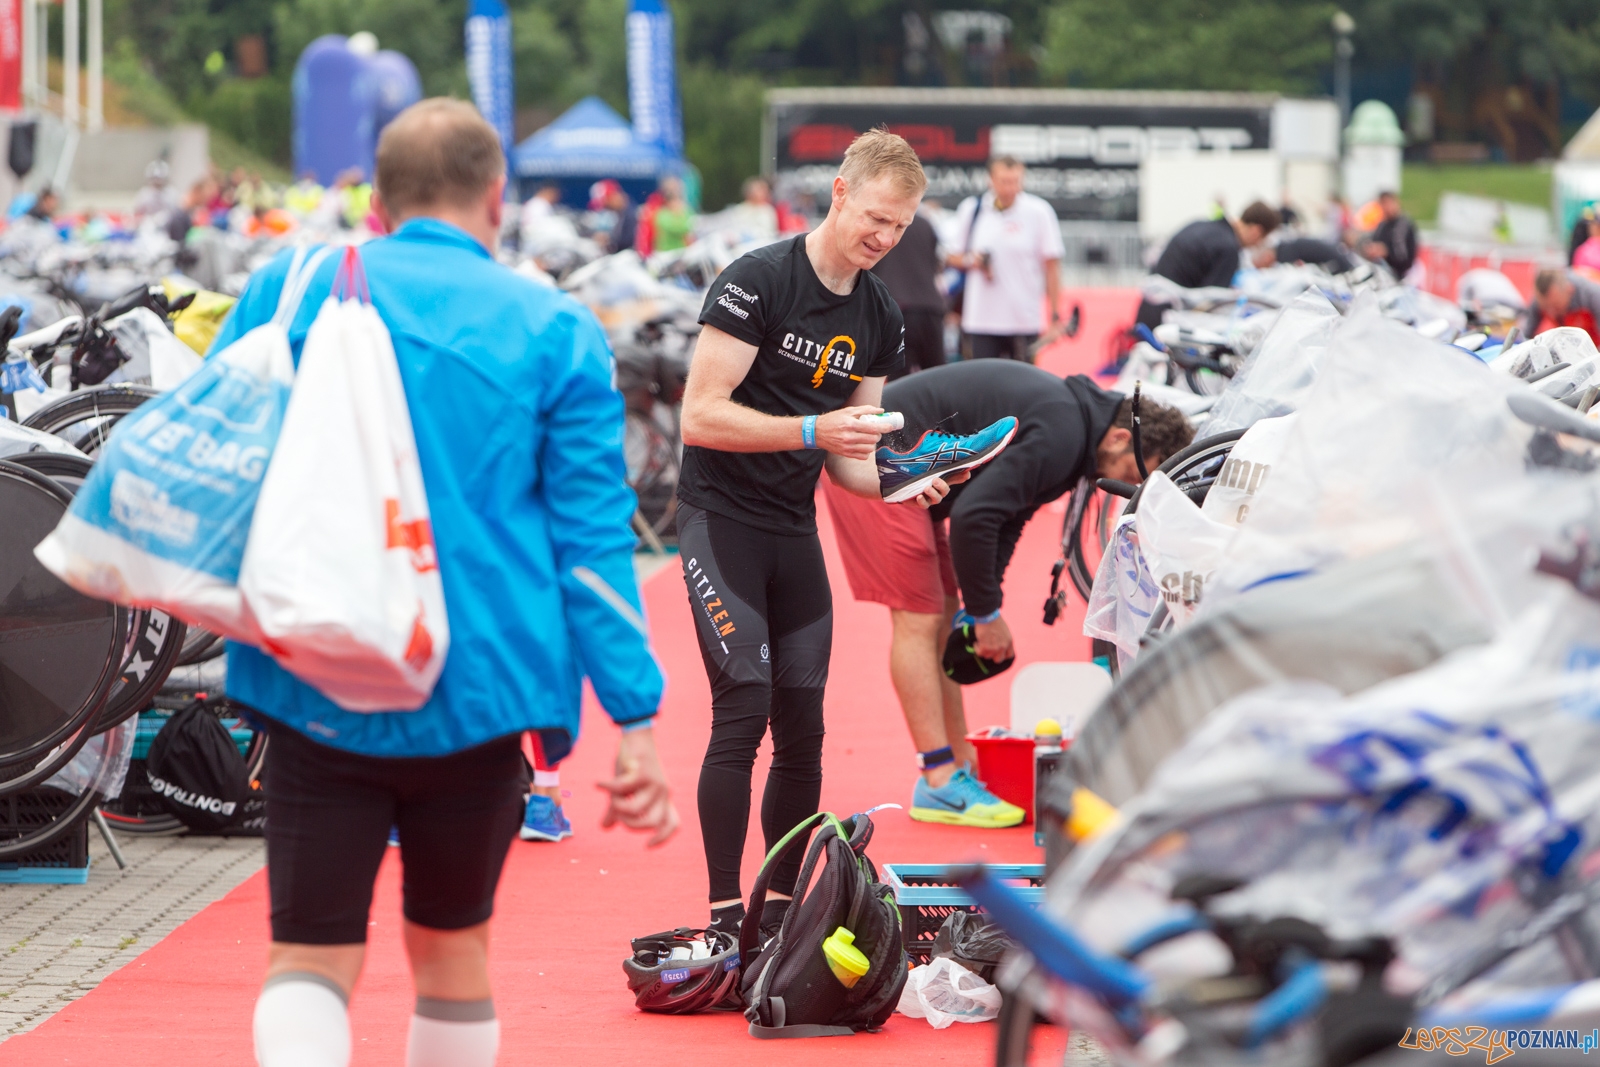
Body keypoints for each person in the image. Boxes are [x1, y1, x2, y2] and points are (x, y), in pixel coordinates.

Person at [212, 99, 678, 1067]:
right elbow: (590, 542)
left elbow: (221, 456)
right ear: (497, 198)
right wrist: (634, 715)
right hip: (479, 684)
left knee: (308, 953)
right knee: (453, 947)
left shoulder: (285, 291)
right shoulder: (552, 325)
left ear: (375, 199)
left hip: (313, 672)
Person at [676, 128, 989, 939]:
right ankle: (718, 914)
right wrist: (815, 432)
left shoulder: (879, 312)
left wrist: (911, 480)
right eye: (876, 218)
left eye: (901, 228)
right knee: (742, 708)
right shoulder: (758, 279)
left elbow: (855, 462)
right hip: (721, 519)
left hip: (791, 524)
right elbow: (702, 417)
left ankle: (773, 919)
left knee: (806, 727)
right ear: (841, 193)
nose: (884, 239)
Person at [822, 363, 1193, 824]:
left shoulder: (1071, 425)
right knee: (919, 617)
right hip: (877, 459)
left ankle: (960, 763)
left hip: (910, 463)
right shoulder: (1064, 432)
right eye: (1142, 474)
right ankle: (937, 779)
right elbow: (977, 517)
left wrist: (982, 606)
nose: (1133, 487)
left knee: (944, 612)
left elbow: (1007, 517)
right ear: (1120, 438)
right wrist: (985, 615)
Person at [949, 156, 1065, 361]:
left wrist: (1055, 314)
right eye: (1004, 181)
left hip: (1023, 322)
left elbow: (1052, 265)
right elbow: (951, 256)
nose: (1010, 187)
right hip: (980, 321)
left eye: (1016, 181)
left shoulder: (1039, 211)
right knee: (981, 387)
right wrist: (972, 260)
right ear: (990, 180)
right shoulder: (972, 209)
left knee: (1023, 389)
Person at [1135, 201, 1281, 329]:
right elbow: (1211, 307)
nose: (1257, 246)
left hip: (1149, 312)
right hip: (1167, 324)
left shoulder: (1201, 225)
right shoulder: (1228, 249)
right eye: (1263, 239)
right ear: (1256, 232)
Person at [870, 206, 945, 377]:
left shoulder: (880, 227)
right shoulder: (925, 224)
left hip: (897, 308)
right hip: (930, 308)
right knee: (937, 378)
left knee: (899, 384)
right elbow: (936, 264)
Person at [1524, 268, 1600, 344]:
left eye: (1556, 307)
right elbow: (1527, 337)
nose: (1551, 313)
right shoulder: (1538, 301)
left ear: (1570, 290)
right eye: (1545, 308)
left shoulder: (1593, 297)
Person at [1360, 191, 1419, 280]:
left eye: (1388, 203)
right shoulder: (1382, 225)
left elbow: (1404, 257)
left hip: (1402, 276)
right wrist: (1370, 250)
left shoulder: (1403, 225)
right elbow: (1372, 243)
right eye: (1383, 204)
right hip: (1380, 272)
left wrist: (1386, 252)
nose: (1386, 207)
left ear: (1396, 202)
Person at [727, 177, 780, 241]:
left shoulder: (768, 209)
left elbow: (771, 232)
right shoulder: (740, 209)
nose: (765, 193)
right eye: (760, 190)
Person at [652, 177, 694, 252]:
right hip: (667, 253)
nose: (677, 203)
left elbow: (691, 225)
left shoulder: (686, 211)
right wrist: (680, 217)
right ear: (668, 202)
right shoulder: (662, 214)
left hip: (683, 251)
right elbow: (681, 229)